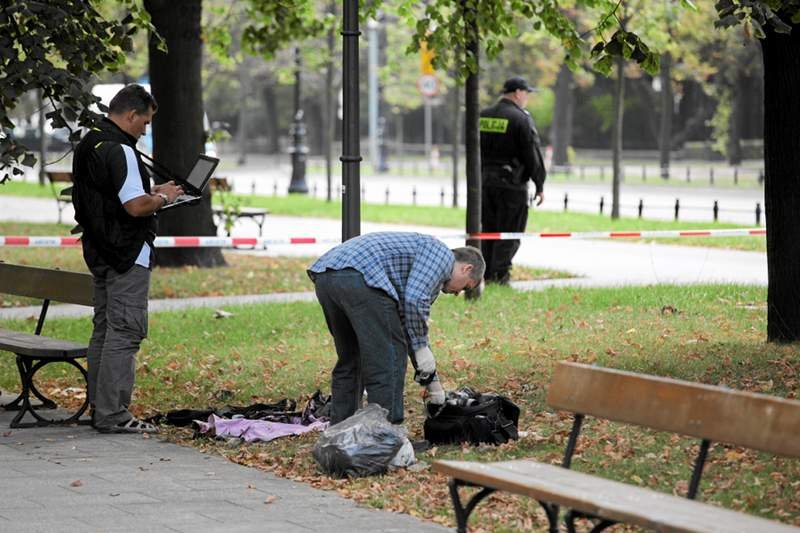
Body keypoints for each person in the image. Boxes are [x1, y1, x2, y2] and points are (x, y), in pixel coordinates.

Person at [71, 84, 184, 434]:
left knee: (105, 329)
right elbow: (135, 207)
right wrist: (163, 198)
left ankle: (99, 408)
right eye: (145, 122)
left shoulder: (91, 142)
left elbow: (109, 196)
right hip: (126, 253)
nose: (145, 129)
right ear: (131, 115)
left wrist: (151, 192)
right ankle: (113, 414)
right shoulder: (120, 149)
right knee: (125, 332)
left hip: (100, 249)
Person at [307, 232, 485, 425]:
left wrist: (433, 385)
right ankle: (388, 436)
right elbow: (415, 301)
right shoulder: (442, 256)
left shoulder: (420, 267)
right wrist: (422, 349)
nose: (458, 293)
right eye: (466, 287)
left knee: (351, 359)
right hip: (360, 276)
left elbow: (407, 327)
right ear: (467, 269)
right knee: (389, 360)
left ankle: (341, 432)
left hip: (327, 275)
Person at [480, 76, 547, 285]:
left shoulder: (482, 115)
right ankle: (500, 276)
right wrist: (539, 183)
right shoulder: (520, 119)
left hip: (484, 184)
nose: (526, 98)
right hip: (511, 185)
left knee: (487, 230)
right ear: (518, 93)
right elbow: (531, 154)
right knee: (508, 231)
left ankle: (485, 273)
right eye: (526, 93)